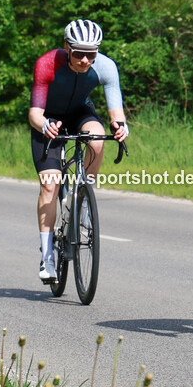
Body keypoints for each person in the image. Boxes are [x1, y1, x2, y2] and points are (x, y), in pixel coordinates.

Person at [28, 19, 128, 283]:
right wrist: (46, 125)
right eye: (79, 53)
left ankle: (82, 195)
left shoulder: (106, 67)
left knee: (97, 140)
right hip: (48, 119)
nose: (85, 60)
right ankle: (47, 255)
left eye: (91, 54)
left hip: (80, 112)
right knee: (50, 186)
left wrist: (120, 127)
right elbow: (34, 114)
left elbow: (116, 112)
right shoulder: (47, 63)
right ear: (66, 48)